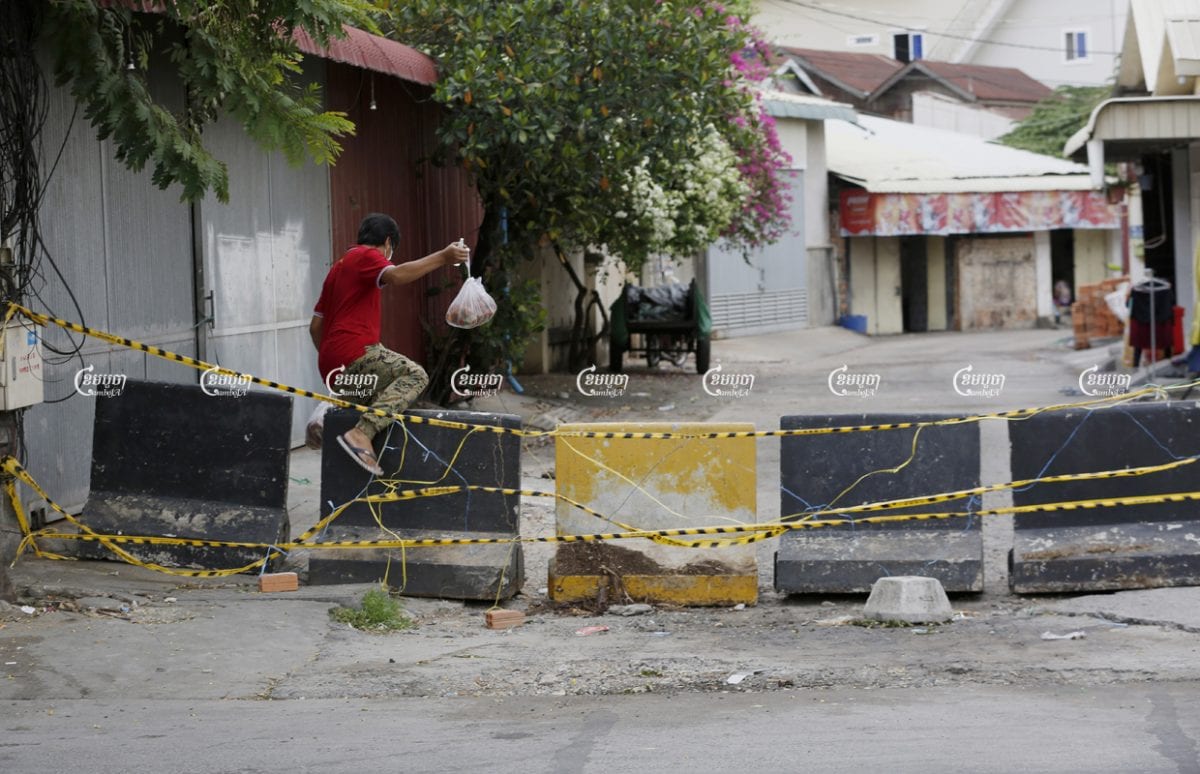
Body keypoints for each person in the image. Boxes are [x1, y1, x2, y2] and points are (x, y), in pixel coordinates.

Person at [310, 213, 469, 475]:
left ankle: (331, 409)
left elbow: (315, 327)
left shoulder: (337, 268)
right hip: (354, 352)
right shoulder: (366, 255)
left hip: (331, 361)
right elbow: (396, 276)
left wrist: (336, 363)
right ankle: (362, 433)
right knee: (414, 375)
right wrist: (443, 257)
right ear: (387, 242)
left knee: (380, 371)